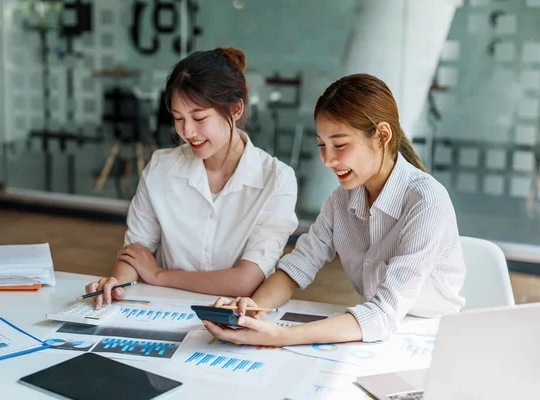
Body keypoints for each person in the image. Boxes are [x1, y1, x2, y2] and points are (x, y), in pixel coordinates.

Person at [205, 73, 466, 345]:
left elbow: (384, 313)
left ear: (382, 135)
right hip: (374, 337)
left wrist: (282, 336)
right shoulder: (342, 200)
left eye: (340, 145)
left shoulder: (427, 203)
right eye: (322, 145)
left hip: (432, 341)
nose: (328, 160)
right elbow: (296, 268)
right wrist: (251, 312)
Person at [86, 47, 299, 308]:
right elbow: (136, 252)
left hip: (231, 318)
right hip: (161, 311)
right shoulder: (161, 168)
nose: (187, 131)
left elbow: (246, 280)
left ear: (236, 109)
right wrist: (116, 284)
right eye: (178, 118)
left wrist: (158, 275)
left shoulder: (277, 180)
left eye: (199, 118)